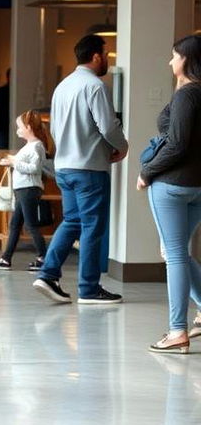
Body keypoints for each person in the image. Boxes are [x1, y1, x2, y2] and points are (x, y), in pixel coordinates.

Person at [32, 34, 128, 305]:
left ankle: (48, 274)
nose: (107, 59)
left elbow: (53, 128)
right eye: (106, 54)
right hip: (89, 168)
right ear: (96, 56)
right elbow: (108, 126)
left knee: (72, 221)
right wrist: (123, 145)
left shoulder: (62, 86)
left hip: (64, 167)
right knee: (92, 227)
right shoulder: (95, 86)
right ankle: (89, 288)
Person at [137, 34, 201, 353]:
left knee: (173, 254)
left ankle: (177, 330)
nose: (170, 61)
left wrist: (146, 173)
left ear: (187, 60)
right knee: (178, 252)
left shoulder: (188, 95)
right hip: (197, 186)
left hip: (171, 185)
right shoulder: (192, 93)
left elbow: (176, 143)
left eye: (174, 56)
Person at [0, 109, 50, 271]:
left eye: (20, 127)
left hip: (29, 190)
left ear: (29, 127)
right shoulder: (30, 146)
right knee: (15, 224)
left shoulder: (37, 146)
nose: (17, 130)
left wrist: (14, 163)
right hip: (23, 190)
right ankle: (6, 259)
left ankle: (44, 258)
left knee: (30, 225)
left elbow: (34, 168)